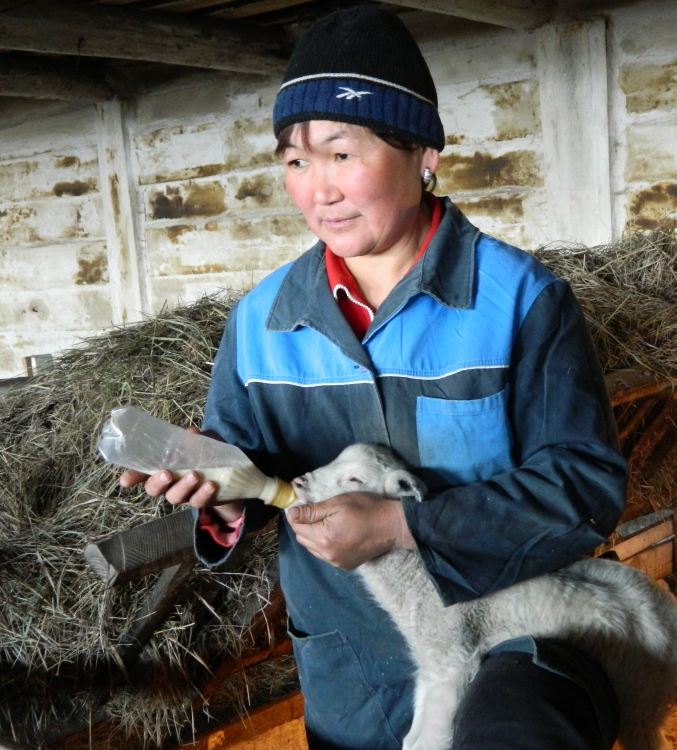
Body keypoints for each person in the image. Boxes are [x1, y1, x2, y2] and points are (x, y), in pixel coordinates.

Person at [122, 7, 628, 750]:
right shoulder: (261, 323)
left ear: (424, 153)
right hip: (352, 665)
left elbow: (584, 486)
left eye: (340, 154)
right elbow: (252, 467)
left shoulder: (520, 300)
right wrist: (219, 493)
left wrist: (401, 525)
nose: (316, 189)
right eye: (295, 161)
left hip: (504, 642)